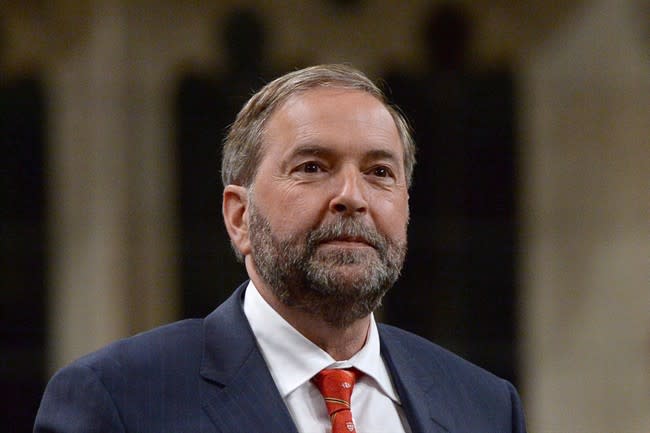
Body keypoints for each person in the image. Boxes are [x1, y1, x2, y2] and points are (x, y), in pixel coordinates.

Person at [34, 64, 526, 433]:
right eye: (312, 167)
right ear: (239, 216)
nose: (352, 197)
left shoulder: (484, 407)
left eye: (379, 172)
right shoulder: (119, 400)